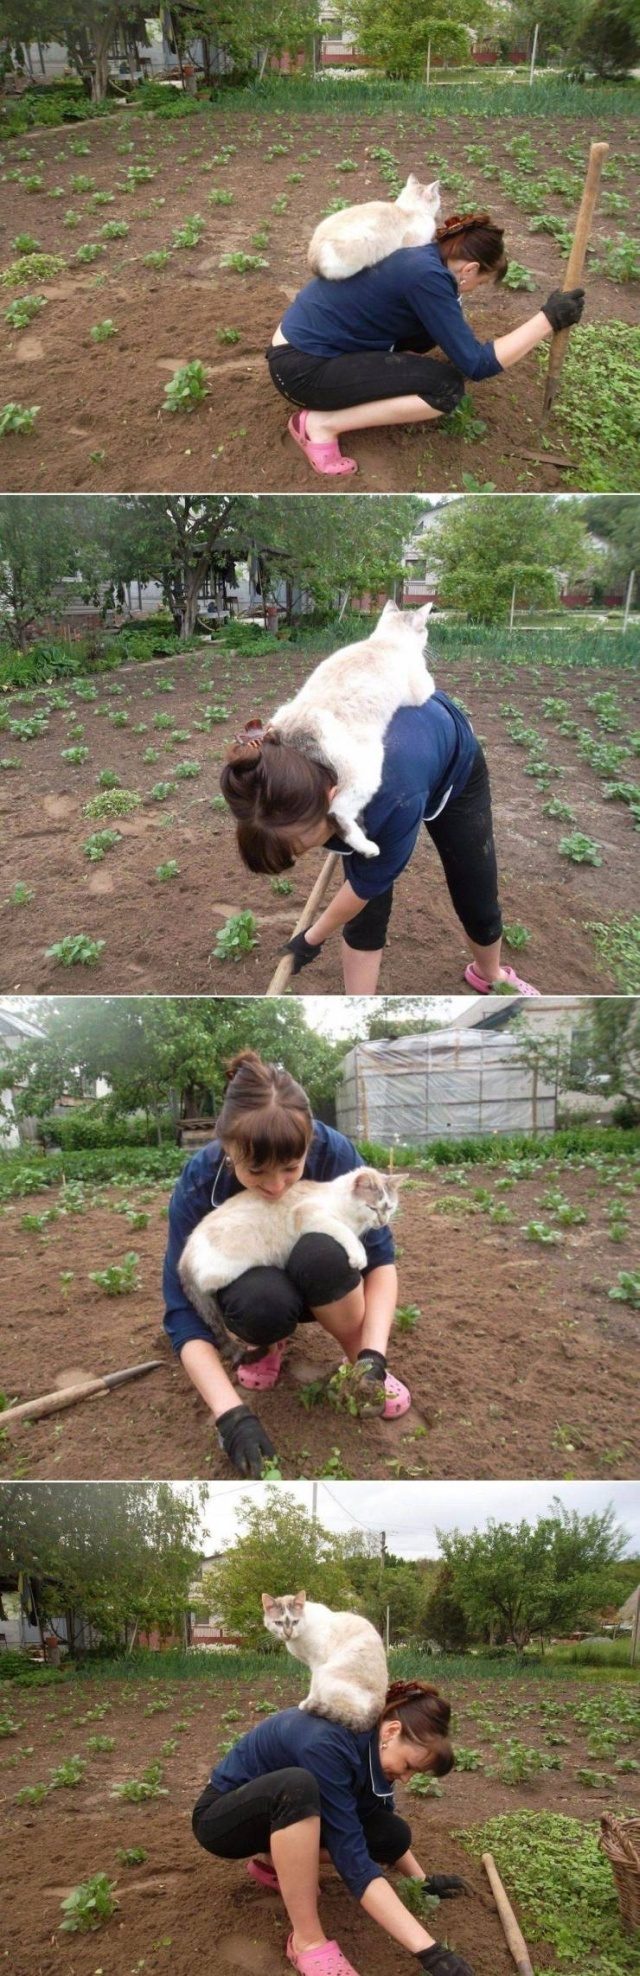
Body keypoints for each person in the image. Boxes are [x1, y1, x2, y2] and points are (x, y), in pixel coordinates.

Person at [163, 1050, 408, 1479]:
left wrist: (374, 1354)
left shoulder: (337, 1156)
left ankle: (359, 1365)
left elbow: (380, 1262)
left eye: (292, 1168)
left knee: (325, 1252)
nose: (276, 1186)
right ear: (228, 1149)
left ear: (310, 1142)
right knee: (261, 1300)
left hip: (318, 1278)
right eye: (256, 1171)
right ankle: (267, 1342)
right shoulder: (200, 1180)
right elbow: (182, 1309)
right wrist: (230, 1416)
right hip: (256, 1285)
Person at [220, 705, 540, 997]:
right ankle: (360, 1007)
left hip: (446, 756)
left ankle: (489, 973)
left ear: (332, 798)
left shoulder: (393, 796)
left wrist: (310, 939)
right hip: (366, 769)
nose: (301, 854)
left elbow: (363, 887)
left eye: (301, 846)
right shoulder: (284, 760)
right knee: (366, 918)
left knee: (475, 892)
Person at [265, 212, 585, 476]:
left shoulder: (422, 257)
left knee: (431, 330)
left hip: (305, 349)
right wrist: (548, 320)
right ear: (470, 269)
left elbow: (451, 334)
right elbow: (478, 365)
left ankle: (369, 381)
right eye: (482, 282)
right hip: (302, 371)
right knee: (445, 388)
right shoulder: (426, 277)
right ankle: (319, 425)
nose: (475, 288)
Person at [192, 1678, 473, 1976]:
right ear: (391, 1731)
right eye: (409, 1766)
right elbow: (353, 1860)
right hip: (223, 1820)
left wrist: (422, 1881)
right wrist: (430, 1951)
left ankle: (277, 1863)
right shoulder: (328, 1742)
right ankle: (307, 1942)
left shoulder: (370, 1746)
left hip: (279, 1816)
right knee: (297, 1786)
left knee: (392, 1834)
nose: (406, 1778)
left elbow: (367, 1821)